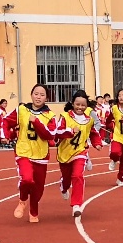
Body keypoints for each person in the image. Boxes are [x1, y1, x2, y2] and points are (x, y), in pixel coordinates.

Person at [6, 84, 60, 222]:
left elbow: (50, 135)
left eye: (42, 95)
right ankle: (22, 200)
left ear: (46, 98)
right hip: (23, 151)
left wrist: (36, 122)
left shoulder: (50, 116)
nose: (38, 97)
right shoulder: (21, 110)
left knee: (38, 188)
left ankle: (33, 211)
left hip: (41, 155)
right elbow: (6, 122)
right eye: (36, 94)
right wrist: (6, 134)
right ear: (31, 94)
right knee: (27, 179)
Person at [57, 88, 95, 219]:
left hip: (80, 151)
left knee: (78, 175)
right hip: (65, 153)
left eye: (83, 105)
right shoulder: (65, 117)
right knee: (67, 179)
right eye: (77, 104)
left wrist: (98, 143)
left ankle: (76, 205)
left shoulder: (89, 120)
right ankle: (63, 186)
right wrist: (69, 130)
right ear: (72, 103)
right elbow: (58, 132)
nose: (80, 107)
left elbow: (93, 133)